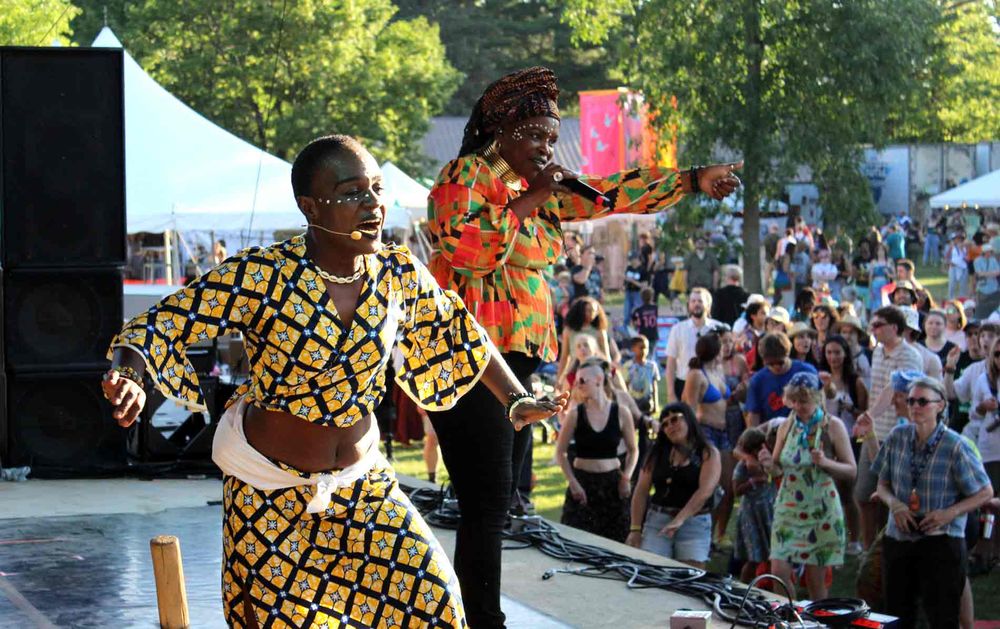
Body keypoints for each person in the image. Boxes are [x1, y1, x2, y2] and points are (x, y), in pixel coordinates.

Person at [102, 135, 568, 628]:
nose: (372, 204)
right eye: (351, 193)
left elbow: (461, 331)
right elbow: (160, 323)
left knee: (437, 605)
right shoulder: (262, 275)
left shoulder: (397, 273)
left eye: (377, 189)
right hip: (270, 498)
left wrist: (516, 399)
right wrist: (130, 372)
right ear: (310, 206)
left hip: (363, 488)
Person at [426, 66, 741, 628]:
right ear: (500, 130)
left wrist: (693, 180)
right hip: (468, 363)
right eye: (536, 136)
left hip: (518, 366)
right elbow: (471, 249)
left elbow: (613, 192)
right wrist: (538, 195)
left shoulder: (536, 190)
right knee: (486, 499)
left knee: (498, 501)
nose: (547, 148)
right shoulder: (465, 176)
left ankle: (477, 612)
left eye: (552, 138)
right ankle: (481, 620)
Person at [872, 377, 993, 629]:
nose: (915, 406)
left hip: (941, 540)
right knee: (897, 615)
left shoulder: (955, 445)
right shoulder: (897, 436)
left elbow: (985, 492)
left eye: (922, 401)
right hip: (900, 537)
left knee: (942, 617)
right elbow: (882, 485)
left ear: (940, 405)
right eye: (911, 401)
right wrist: (895, 504)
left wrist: (949, 513)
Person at [758, 372, 856, 600]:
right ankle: (790, 615)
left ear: (817, 397)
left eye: (803, 401)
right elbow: (778, 468)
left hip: (820, 510)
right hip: (788, 508)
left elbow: (851, 470)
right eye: (793, 400)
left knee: (815, 584)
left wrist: (825, 462)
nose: (797, 406)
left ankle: (815, 618)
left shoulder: (833, 426)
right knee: (778, 573)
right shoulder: (786, 426)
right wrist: (768, 464)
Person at [626, 403, 721, 568]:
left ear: (689, 419)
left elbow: (705, 491)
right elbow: (641, 490)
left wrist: (679, 519)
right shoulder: (656, 453)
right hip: (658, 520)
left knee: (689, 575)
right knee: (650, 571)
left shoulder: (708, 453)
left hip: (694, 522)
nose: (670, 426)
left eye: (675, 419)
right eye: (664, 424)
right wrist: (635, 529)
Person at [556, 359, 637, 542]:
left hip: (613, 485)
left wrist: (626, 477)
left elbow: (633, 450)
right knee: (576, 543)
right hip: (583, 485)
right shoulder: (575, 414)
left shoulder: (621, 412)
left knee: (615, 543)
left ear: (599, 380)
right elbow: (560, 452)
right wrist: (573, 482)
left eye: (582, 380)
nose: (578, 385)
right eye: (576, 381)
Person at [681, 331, 736, 544]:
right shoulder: (697, 375)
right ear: (715, 351)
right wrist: (692, 441)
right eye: (722, 347)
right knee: (710, 488)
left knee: (728, 486)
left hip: (724, 432)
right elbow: (689, 408)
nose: (726, 349)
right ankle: (704, 536)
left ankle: (719, 535)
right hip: (706, 432)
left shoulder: (718, 370)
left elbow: (724, 401)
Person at [818, 335, 868, 555]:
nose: (833, 357)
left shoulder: (855, 381)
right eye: (829, 352)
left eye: (837, 352)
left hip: (848, 438)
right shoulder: (819, 378)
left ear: (845, 354)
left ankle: (854, 539)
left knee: (847, 493)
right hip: (823, 438)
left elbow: (865, 412)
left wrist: (851, 409)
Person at [731, 427, 777, 583]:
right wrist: (754, 481)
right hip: (752, 515)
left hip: (768, 512)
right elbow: (736, 490)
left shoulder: (768, 461)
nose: (761, 450)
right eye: (757, 448)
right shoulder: (742, 466)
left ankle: (769, 584)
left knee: (773, 554)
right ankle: (744, 585)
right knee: (754, 558)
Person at [745, 333, 819, 427]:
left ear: (787, 354)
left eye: (780, 363)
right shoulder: (758, 381)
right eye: (770, 364)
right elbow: (753, 417)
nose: (776, 367)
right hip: (772, 431)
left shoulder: (806, 371)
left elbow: (820, 404)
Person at [665, 287, 722, 402]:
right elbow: (671, 363)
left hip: (712, 383)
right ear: (689, 305)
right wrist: (671, 393)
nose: (696, 304)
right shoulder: (678, 329)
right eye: (693, 301)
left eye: (700, 301)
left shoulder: (718, 328)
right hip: (684, 383)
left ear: (708, 305)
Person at [558, 297, 618, 386]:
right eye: (588, 310)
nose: (592, 313)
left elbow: (606, 356)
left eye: (594, 311)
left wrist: (609, 372)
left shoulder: (600, 331)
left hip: (595, 368)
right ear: (580, 311)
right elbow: (564, 357)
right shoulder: (569, 331)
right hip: (575, 369)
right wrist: (559, 379)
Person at [974, 242, 1000, 319]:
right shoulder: (977, 261)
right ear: (983, 252)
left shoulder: (993, 260)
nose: (989, 253)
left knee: (995, 307)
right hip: (982, 289)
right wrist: (992, 273)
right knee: (982, 308)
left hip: (994, 288)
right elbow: (979, 274)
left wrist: (986, 274)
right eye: (987, 251)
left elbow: (998, 272)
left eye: (990, 251)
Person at [623, 251, 649, 323]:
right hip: (628, 292)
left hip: (638, 293)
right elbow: (626, 279)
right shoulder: (629, 268)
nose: (630, 261)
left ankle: (638, 327)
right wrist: (624, 284)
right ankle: (626, 328)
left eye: (632, 259)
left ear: (637, 259)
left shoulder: (643, 270)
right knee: (626, 313)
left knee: (638, 313)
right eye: (630, 259)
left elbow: (644, 285)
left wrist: (632, 281)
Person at [946, 232, 969, 301]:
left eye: (960, 239)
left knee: (963, 285)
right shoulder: (951, 247)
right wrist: (949, 262)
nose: (958, 240)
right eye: (956, 239)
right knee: (952, 284)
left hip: (963, 268)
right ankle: (951, 299)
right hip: (953, 267)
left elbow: (968, 258)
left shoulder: (965, 247)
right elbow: (947, 257)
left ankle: (962, 299)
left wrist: (962, 250)